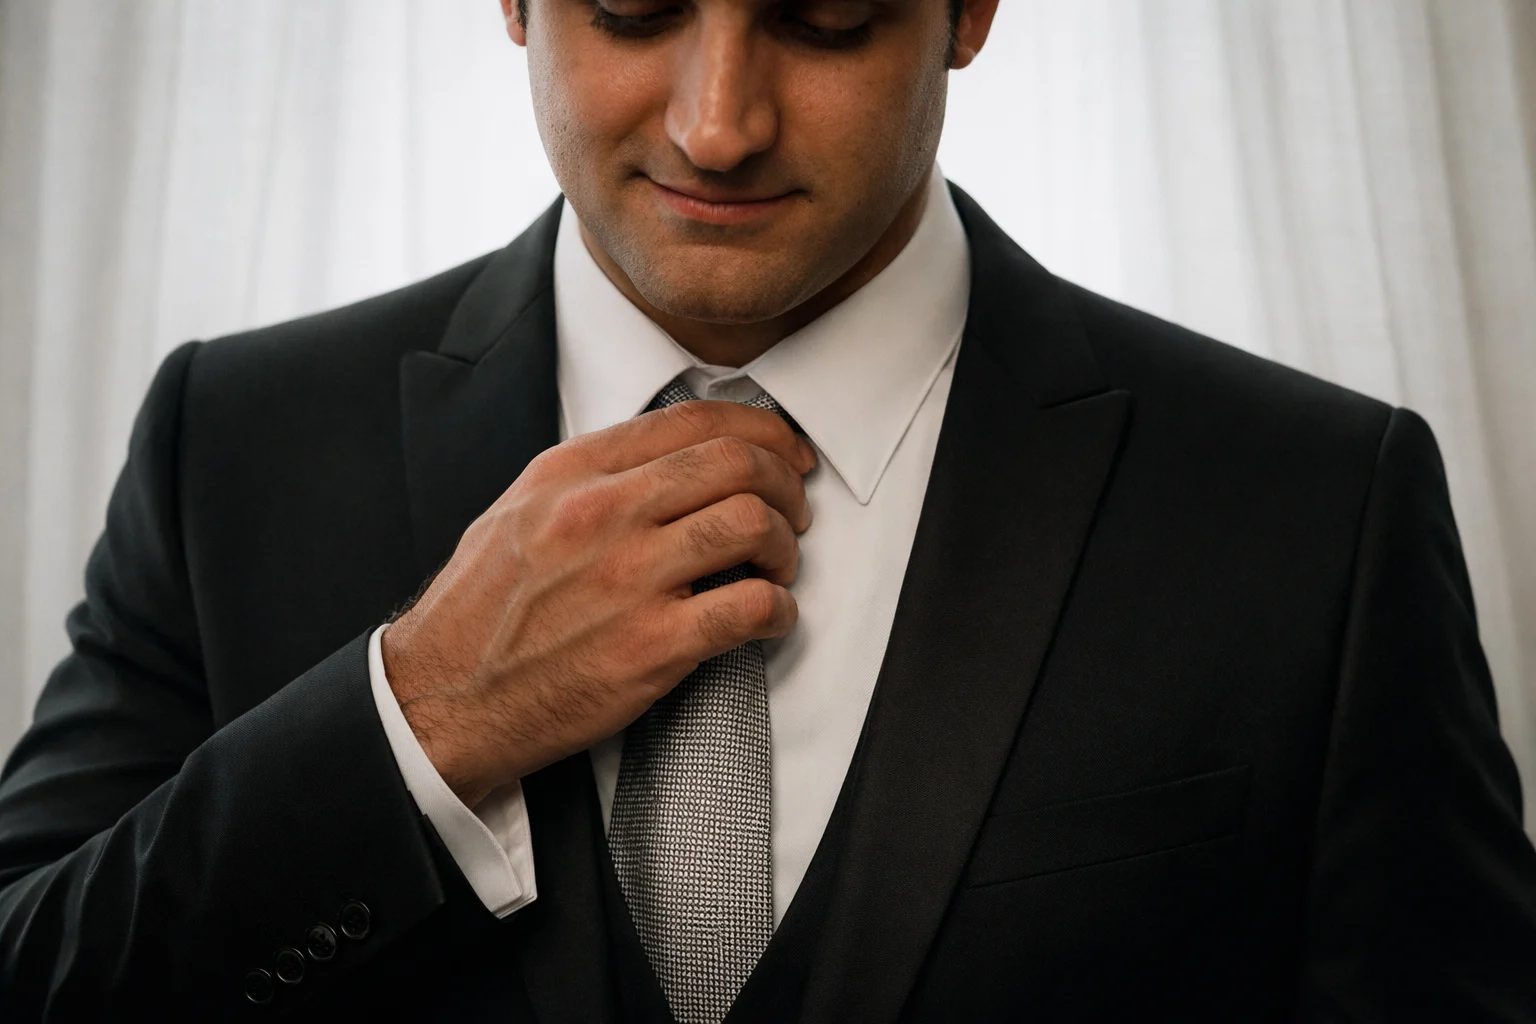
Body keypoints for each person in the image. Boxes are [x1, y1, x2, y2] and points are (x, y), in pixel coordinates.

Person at [2, 0, 1535, 1019]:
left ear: (970, 11)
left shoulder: (1316, 508)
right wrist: (421, 722)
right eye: (633, 7)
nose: (718, 124)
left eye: (826, 16)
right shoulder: (231, 447)